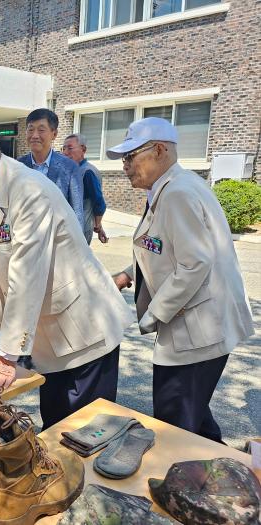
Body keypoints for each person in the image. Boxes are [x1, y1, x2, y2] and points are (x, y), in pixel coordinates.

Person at [0, 110, 134, 429]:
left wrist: (8, 357)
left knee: (84, 436)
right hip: (55, 336)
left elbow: (26, 277)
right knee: (55, 426)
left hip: (85, 334)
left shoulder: (27, 190)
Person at [110, 117, 253, 443]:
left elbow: (194, 264)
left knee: (175, 425)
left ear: (159, 150)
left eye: (130, 157)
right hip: (198, 328)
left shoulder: (177, 193)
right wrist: (129, 273)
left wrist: (153, 316)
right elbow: (163, 247)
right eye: (124, 159)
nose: (125, 167)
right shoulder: (171, 187)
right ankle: (228, 477)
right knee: (195, 420)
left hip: (197, 333)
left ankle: (192, 487)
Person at [17, 108, 85, 233]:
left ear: (54, 134)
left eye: (41, 130)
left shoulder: (70, 168)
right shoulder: (18, 166)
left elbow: (77, 213)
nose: (34, 135)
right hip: (24, 240)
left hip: (57, 242)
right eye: (30, 129)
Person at [62, 133, 108, 244]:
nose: (65, 152)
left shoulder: (86, 172)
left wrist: (97, 225)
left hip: (78, 232)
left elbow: (99, 203)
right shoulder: (74, 170)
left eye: (70, 148)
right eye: (63, 148)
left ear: (83, 149)